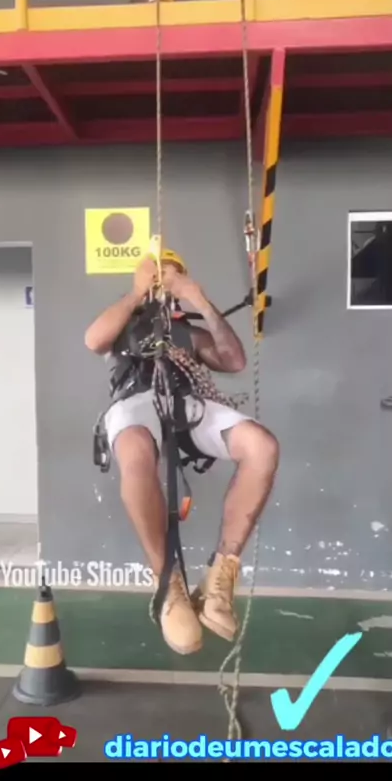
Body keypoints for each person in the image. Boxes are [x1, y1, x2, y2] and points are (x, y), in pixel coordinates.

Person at [85, 250, 279, 655]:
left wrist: (199, 300)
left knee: (261, 446)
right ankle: (167, 584)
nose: (163, 284)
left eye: (170, 277)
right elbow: (94, 339)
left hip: (187, 403)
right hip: (136, 402)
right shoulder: (125, 322)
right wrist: (136, 293)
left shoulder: (188, 332)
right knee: (135, 450)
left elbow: (234, 360)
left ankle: (220, 577)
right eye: (157, 276)